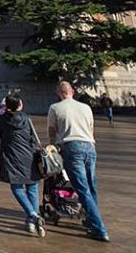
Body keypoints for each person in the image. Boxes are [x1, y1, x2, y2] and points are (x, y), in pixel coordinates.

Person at [48, 81, 109, 242]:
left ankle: (99, 229)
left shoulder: (55, 108)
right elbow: (91, 128)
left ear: (58, 93)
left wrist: (53, 145)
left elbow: (52, 131)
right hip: (90, 146)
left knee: (82, 189)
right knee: (91, 186)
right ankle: (90, 219)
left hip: (71, 147)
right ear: (72, 91)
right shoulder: (85, 107)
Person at [0, 95, 45, 237]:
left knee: (16, 187)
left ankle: (33, 216)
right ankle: (33, 220)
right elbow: (33, 138)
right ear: (20, 105)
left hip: (12, 157)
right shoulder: (27, 119)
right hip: (29, 156)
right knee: (32, 187)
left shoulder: (2, 119)